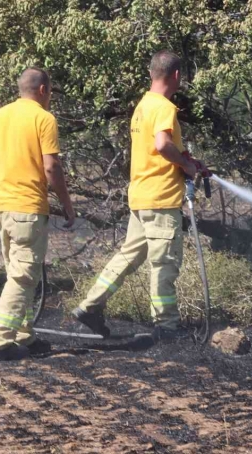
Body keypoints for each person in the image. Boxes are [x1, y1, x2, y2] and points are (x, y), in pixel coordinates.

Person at [72, 50, 205, 342]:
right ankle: (167, 327)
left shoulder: (143, 106)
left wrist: (188, 160)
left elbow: (155, 148)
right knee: (164, 263)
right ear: (177, 76)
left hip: (141, 196)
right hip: (160, 199)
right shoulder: (164, 107)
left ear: (151, 73)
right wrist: (185, 166)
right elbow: (161, 145)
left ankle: (89, 306)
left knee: (128, 256)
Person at [0, 67, 75, 361]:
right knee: (22, 276)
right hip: (27, 209)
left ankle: (23, 335)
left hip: (2, 208)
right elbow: (51, 167)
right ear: (44, 90)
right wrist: (67, 204)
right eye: (51, 91)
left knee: (18, 273)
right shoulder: (43, 118)